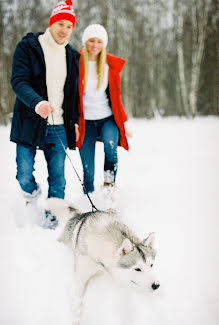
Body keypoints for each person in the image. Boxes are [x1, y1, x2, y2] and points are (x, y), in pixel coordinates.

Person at [10, 0, 80, 229]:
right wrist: (36, 102)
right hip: (29, 121)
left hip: (59, 125)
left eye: (69, 26)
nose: (64, 30)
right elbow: (18, 81)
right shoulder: (29, 46)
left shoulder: (72, 56)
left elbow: (74, 94)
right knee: (23, 174)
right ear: (51, 24)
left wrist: (75, 122)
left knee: (58, 178)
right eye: (60, 24)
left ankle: (53, 215)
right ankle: (31, 196)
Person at [76, 24, 131, 194]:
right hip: (85, 122)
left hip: (107, 119)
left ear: (104, 44)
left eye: (99, 41)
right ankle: (89, 197)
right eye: (91, 40)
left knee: (110, 147)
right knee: (88, 168)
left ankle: (109, 187)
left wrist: (124, 122)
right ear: (85, 42)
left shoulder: (109, 67)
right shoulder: (75, 64)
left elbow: (116, 98)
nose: (95, 45)